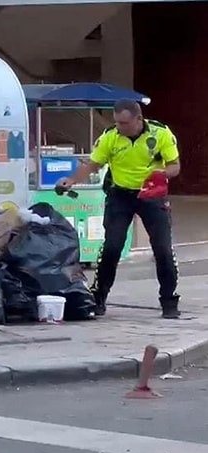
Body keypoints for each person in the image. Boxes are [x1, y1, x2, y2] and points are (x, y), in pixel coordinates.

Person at [56, 98, 181, 319]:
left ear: (138, 119)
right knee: (112, 247)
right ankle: (99, 298)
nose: (120, 128)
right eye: (117, 123)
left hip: (151, 195)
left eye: (125, 123)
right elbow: (93, 164)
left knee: (162, 249)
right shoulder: (110, 137)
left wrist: (160, 174)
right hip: (120, 195)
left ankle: (169, 300)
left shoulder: (160, 134)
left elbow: (175, 166)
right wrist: (71, 180)